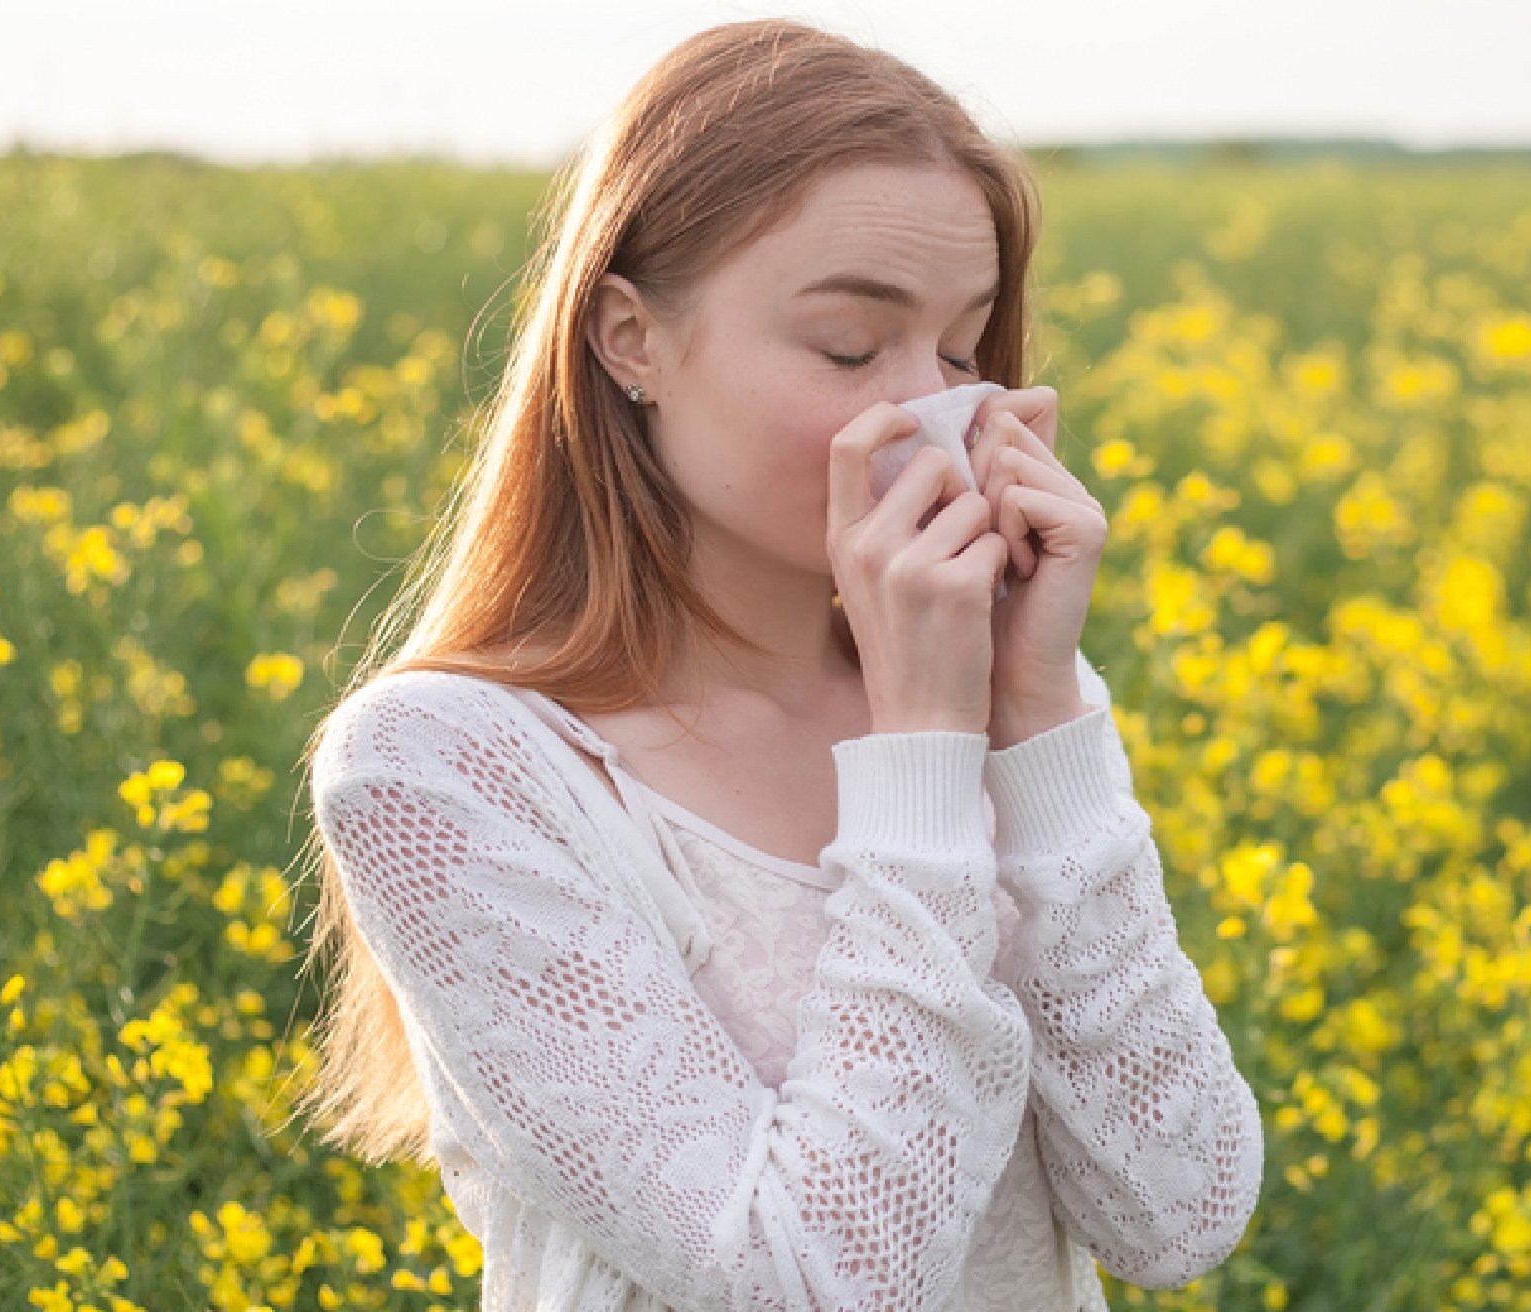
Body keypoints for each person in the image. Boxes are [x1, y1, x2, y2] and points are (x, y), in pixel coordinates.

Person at [296, 17, 1263, 1311]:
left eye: (966, 349)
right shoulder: (452, 769)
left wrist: (1034, 720)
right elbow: (812, 1286)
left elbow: (1179, 1211)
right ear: (630, 340)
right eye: (851, 350)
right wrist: (923, 752)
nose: (930, 410)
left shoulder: (1009, 702)